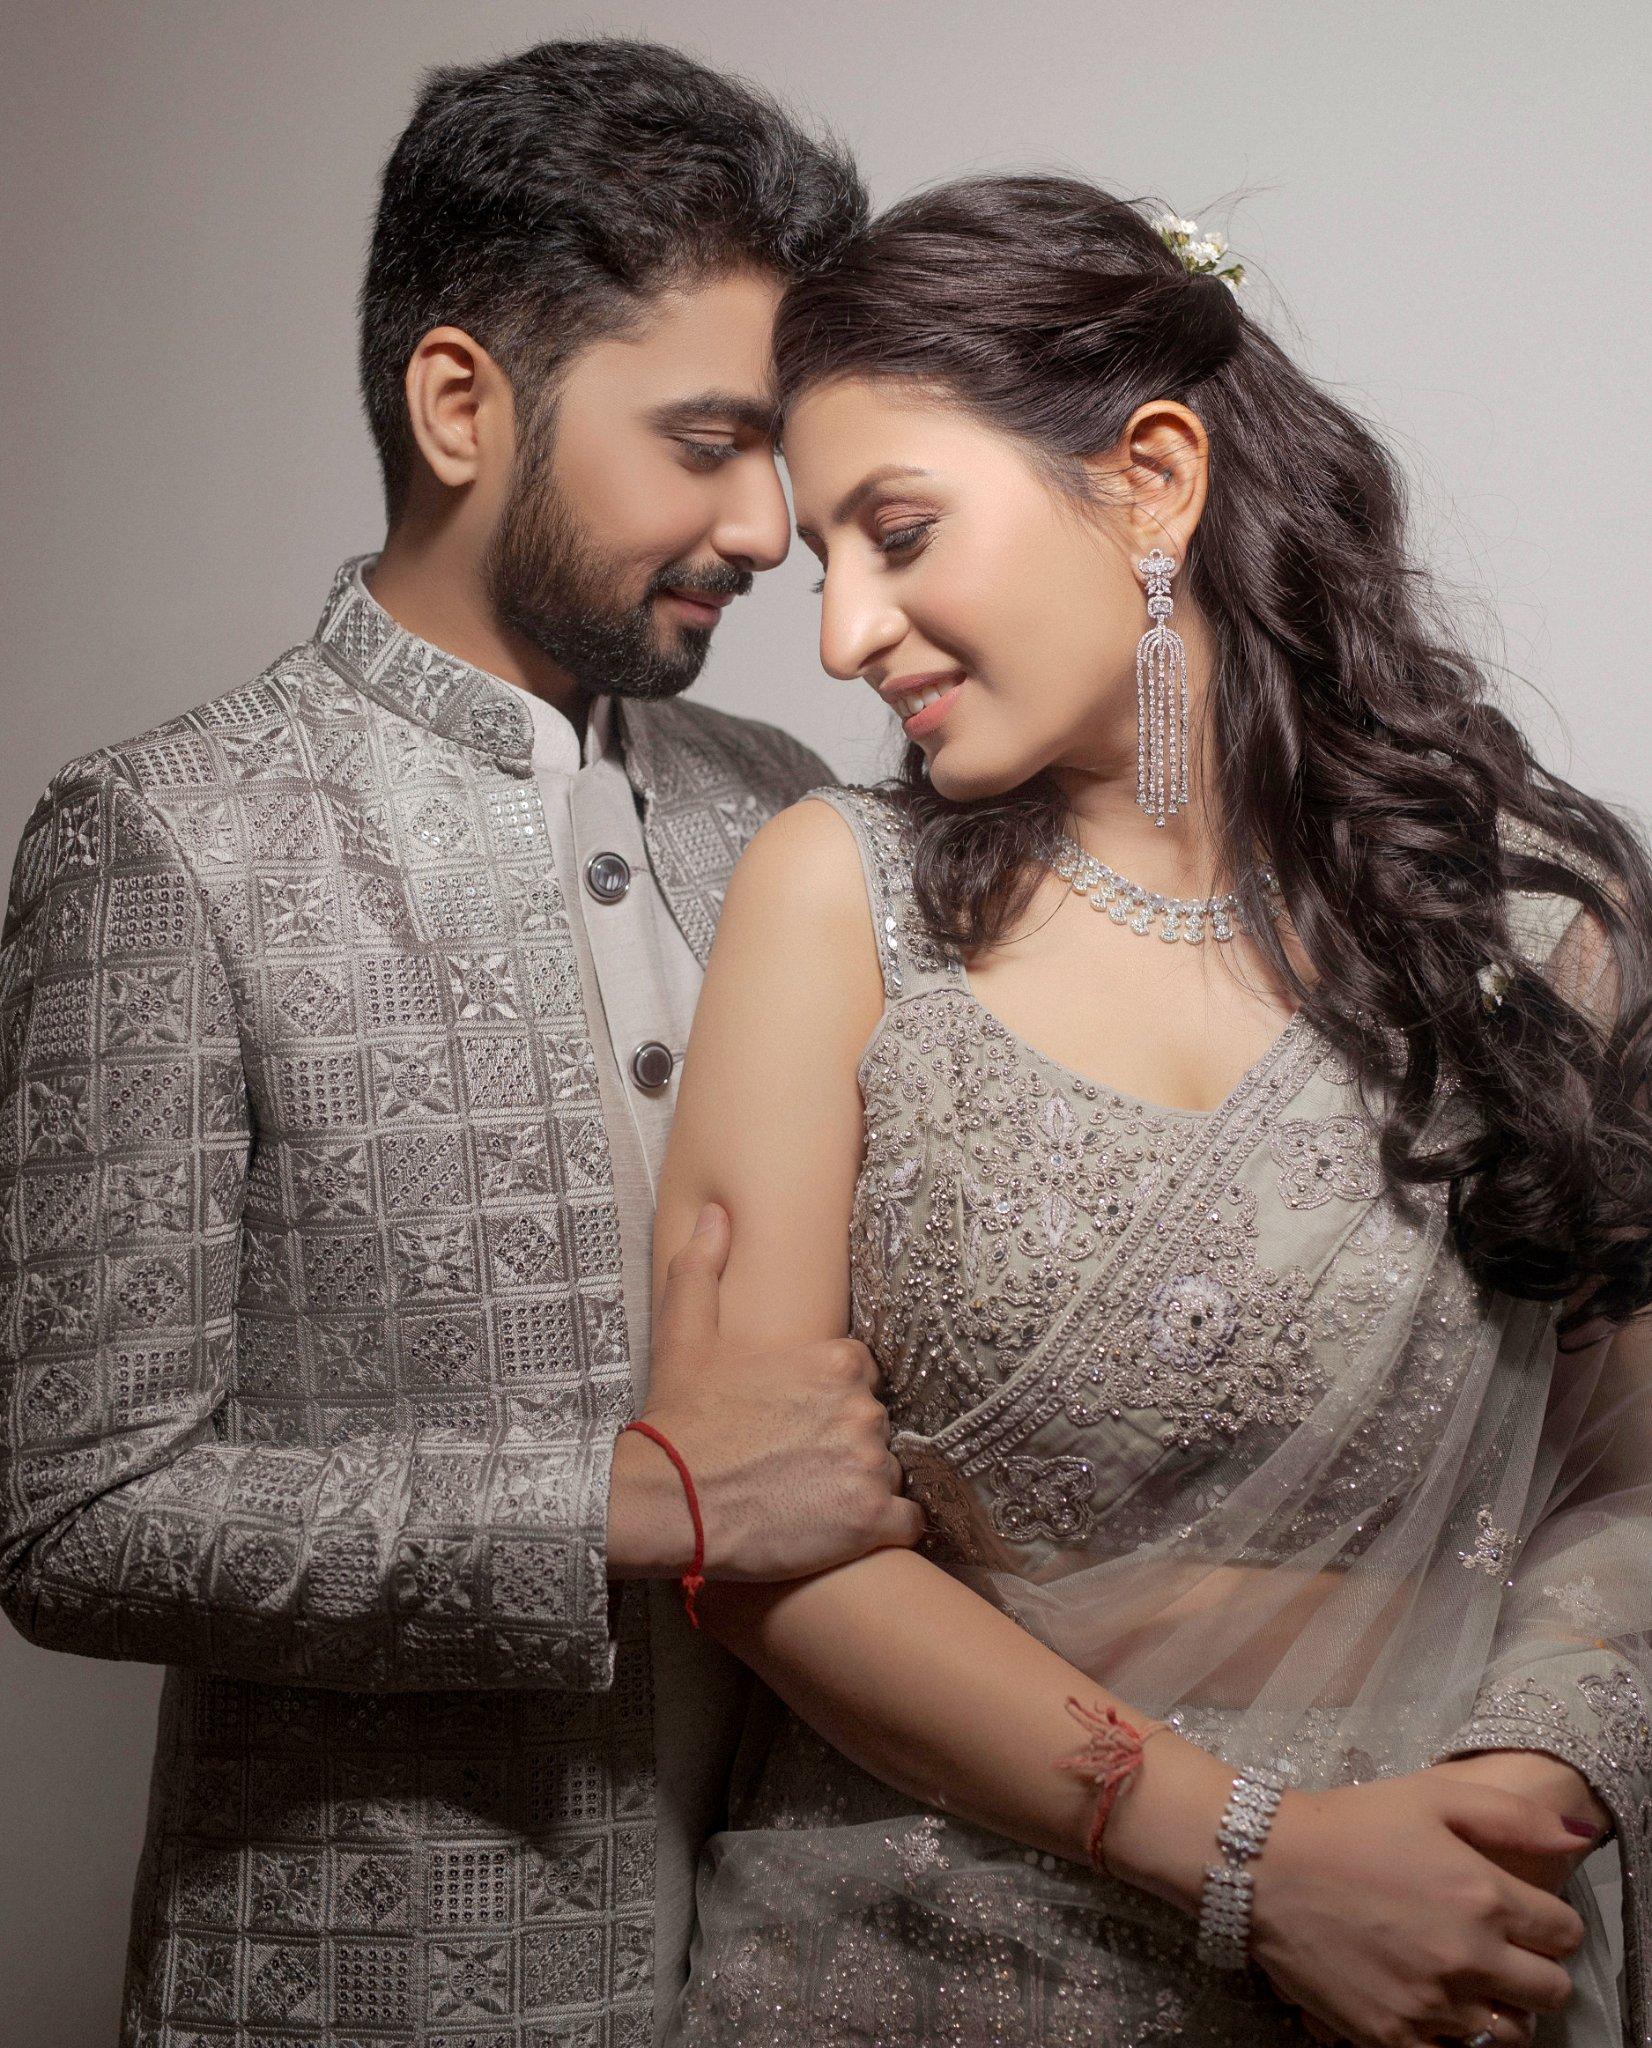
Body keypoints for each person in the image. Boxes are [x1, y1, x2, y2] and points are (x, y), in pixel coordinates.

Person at [650, 175, 1652, 2046]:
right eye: (824, 563)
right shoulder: (835, 900)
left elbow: (1622, 1475)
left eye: (899, 532)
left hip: (1452, 1942)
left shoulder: (1534, 933)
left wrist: (1514, 1800)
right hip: (930, 1955)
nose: (845, 633)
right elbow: (748, 1535)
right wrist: (1267, 1861)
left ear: (1154, 479)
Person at [0, 38, 923, 2048]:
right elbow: (74, 1513)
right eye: (706, 442)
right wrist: (628, 1501)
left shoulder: (784, 804)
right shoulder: (170, 836)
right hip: (375, 1996)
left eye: (777, 452)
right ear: (456, 403)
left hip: (815, 1968)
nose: (771, 525)